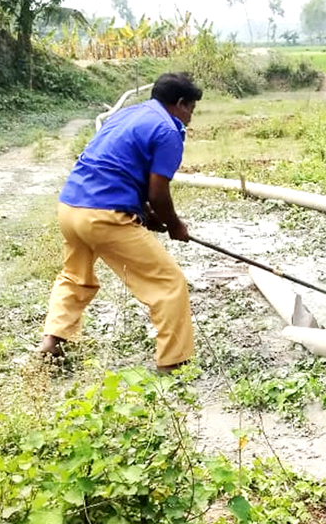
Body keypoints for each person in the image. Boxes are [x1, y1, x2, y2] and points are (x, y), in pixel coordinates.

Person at [37, 72, 202, 373]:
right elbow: (158, 191)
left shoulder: (128, 114)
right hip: (104, 215)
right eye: (191, 108)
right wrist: (174, 225)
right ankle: (174, 363)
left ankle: (53, 341)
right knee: (168, 283)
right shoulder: (169, 130)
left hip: (71, 206)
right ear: (180, 104)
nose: (190, 117)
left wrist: (145, 214)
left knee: (75, 276)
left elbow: (116, 165)